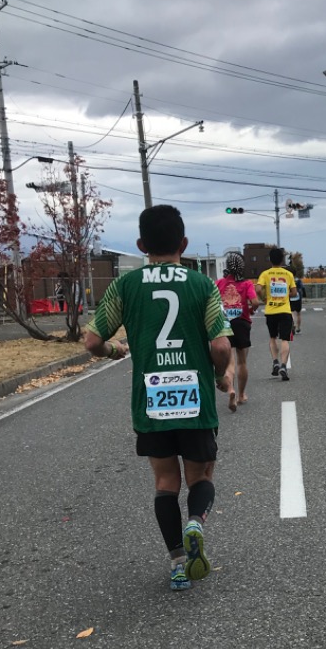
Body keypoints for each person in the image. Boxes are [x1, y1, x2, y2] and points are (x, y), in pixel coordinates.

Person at [83, 205, 230, 591]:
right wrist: (218, 376)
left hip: (152, 400)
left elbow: (93, 341)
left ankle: (178, 562)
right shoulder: (203, 286)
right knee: (202, 475)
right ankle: (196, 520)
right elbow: (220, 346)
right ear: (184, 243)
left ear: (141, 245)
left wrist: (118, 351)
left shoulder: (125, 286)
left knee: (166, 481)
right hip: (195, 398)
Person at [217, 253, 259, 410]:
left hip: (225, 323)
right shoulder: (246, 284)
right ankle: (241, 394)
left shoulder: (220, 283)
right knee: (242, 361)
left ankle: (231, 390)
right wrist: (251, 310)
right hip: (242, 323)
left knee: (229, 361)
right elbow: (255, 302)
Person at [256, 246, 296, 380]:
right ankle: (284, 365)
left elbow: (258, 289)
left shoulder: (265, 274)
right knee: (285, 339)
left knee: (273, 337)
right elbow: (295, 292)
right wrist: (285, 295)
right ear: (282, 259)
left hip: (271, 310)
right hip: (284, 310)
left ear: (270, 259)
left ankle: (275, 363)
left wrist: (264, 298)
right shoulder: (288, 274)